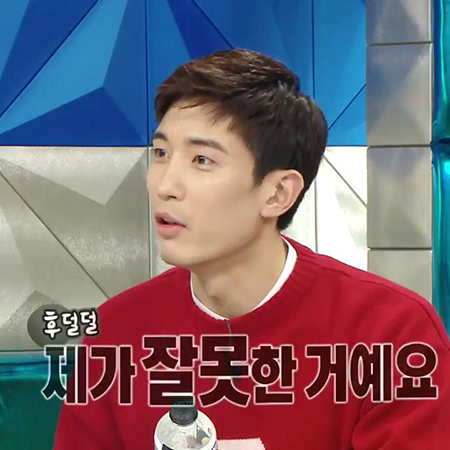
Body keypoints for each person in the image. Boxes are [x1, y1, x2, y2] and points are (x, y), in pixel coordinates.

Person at [54, 49, 450, 449]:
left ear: (278, 193)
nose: (165, 185)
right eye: (161, 153)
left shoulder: (392, 334)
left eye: (202, 159)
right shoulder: (115, 333)